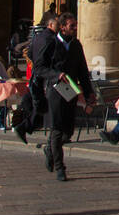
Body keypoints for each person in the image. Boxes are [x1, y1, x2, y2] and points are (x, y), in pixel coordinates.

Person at [32, 14, 99, 181]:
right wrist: (56, 74)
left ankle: (50, 148)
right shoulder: (52, 43)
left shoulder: (76, 45)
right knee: (57, 127)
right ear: (62, 27)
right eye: (72, 26)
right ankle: (60, 167)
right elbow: (39, 68)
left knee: (68, 130)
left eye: (75, 25)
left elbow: (82, 70)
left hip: (70, 89)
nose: (75, 28)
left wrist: (89, 91)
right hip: (55, 88)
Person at [13, 11, 59, 144]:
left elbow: (31, 54)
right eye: (57, 23)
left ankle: (25, 127)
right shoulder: (51, 39)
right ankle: (25, 128)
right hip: (46, 76)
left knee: (41, 106)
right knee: (44, 106)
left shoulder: (38, 37)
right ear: (50, 24)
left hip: (37, 76)